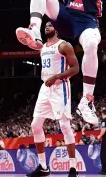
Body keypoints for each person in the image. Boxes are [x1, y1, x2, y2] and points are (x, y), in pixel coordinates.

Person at [26, 22, 79, 177]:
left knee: (64, 125)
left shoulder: (64, 45)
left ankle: (73, 168)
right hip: (45, 87)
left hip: (60, 86)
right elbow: (34, 43)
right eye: (46, 25)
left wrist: (57, 76)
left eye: (50, 25)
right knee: (35, 125)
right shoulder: (43, 48)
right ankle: (43, 167)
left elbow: (75, 68)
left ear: (57, 28)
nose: (47, 27)